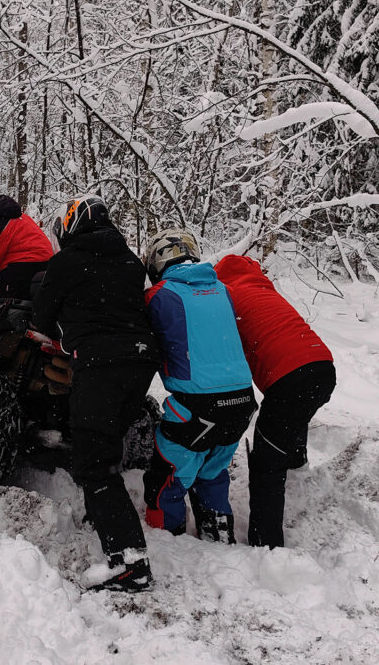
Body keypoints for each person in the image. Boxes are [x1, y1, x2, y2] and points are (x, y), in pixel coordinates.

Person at [32, 195, 159, 593]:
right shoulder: (130, 261)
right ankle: (103, 512)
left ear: (70, 226)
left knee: (94, 461)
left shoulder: (65, 262)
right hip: (140, 362)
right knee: (106, 445)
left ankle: (130, 562)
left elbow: (40, 318)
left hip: (100, 363)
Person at [140, 229, 256, 544]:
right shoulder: (222, 290)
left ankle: (169, 538)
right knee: (213, 471)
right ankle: (217, 531)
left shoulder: (158, 296)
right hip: (243, 402)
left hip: (196, 407)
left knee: (168, 476)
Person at [213, 253, 336, 549]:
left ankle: (266, 542)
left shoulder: (226, 295)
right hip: (322, 365)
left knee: (266, 461)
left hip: (288, 377)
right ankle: (296, 462)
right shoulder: (262, 288)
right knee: (294, 413)